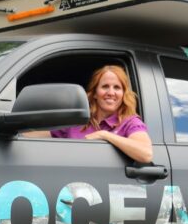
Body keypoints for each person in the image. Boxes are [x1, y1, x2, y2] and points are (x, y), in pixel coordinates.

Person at [23, 64, 153, 163]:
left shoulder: (130, 122)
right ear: (95, 93)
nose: (111, 92)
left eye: (117, 87)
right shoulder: (79, 121)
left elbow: (146, 154)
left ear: (124, 94)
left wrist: (105, 135)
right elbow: (39, 135)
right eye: (105, 86)